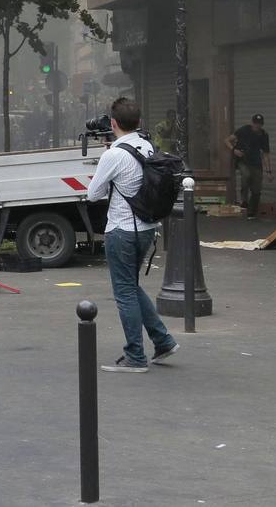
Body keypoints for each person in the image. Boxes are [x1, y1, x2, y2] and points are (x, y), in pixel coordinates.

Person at [86, 97, 178, 373]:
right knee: (132, 286)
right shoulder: (146, 145)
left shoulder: (113, 155)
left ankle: (135, 356)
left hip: (122, 231)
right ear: (138, 123)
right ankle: (162, 341)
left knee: (124, 291)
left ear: (113, 123)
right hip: (147, 229)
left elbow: (93, 195)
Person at [226, 113, 272, 220]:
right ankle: (244, 200)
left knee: (256, 190)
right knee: (246, 175)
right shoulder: (244, 130)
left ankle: (251, 213)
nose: (257, 126)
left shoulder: (264, 135)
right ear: (252, 123)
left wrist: (269, 172)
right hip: (243, 160)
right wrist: (234, 150)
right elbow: (227, 140)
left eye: (259, 125)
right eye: (255, 124)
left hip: (256, 163)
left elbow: (266, 154)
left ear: (262, 125)